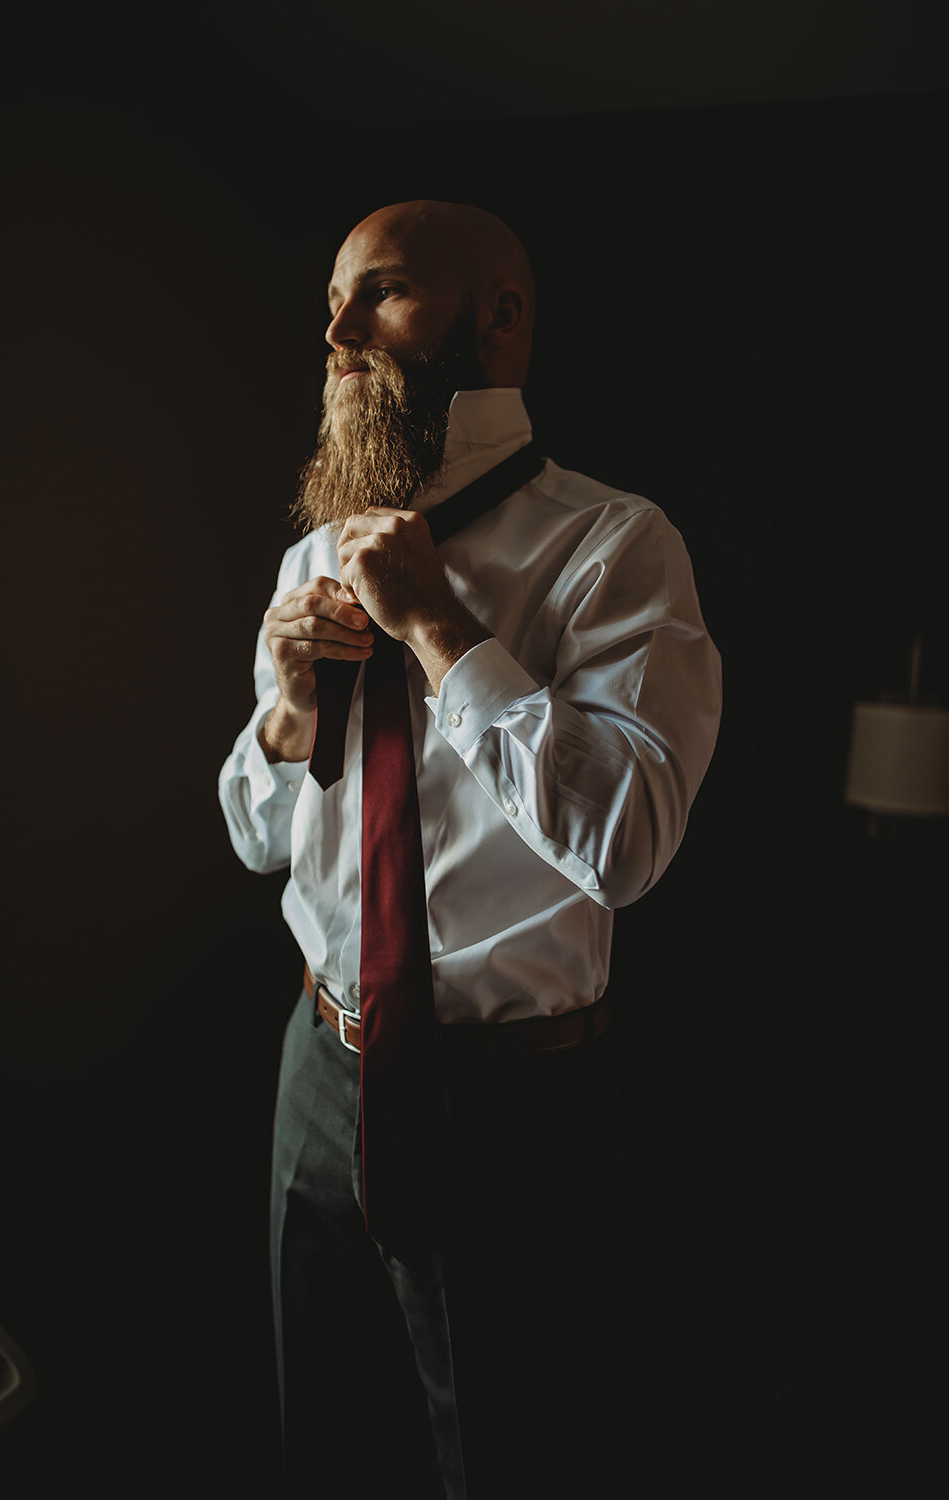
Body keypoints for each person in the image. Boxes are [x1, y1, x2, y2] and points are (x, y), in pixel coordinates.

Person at [218, 199, 722, 1499]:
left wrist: (441, 627)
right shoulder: (314, 553)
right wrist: (279, 721)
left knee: (504, 1456)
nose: (333, 330)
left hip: (511, 1109)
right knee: (312, 1442)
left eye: (378, 292)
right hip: (314, 1070)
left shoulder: (616, 547)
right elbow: (257, 839)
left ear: (498, 319)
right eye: (333, 300)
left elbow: (629, 842)